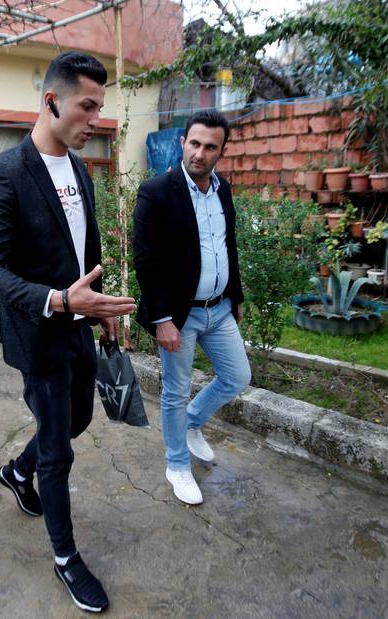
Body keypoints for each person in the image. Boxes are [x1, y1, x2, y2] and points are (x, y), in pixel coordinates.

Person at [0, 51, 135, 614]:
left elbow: (83, 252)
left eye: (99, 108)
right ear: (51, 101)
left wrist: (100, 308)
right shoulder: (5, 172)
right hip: (38, 336)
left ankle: (17, 470)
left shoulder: (81, 171)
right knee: (59, 451)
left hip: (79, 327)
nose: (95, 120)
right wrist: (58, 300)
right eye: (87, 106)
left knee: (77, 420)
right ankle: (66, 558)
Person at [132, 109, 252, 505]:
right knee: (175, 391)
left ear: (222, 151)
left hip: (219, 309)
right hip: (179, 315)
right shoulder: (156, 192)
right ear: (183, 142)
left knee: (237, 376)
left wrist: (235, 295)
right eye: (195, 143)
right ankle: (177, 465)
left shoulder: (222, 190)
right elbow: (145, 260)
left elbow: (228, 246)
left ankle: (192, 423)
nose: (200, 153)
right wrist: (162, 318)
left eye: (210, 147)